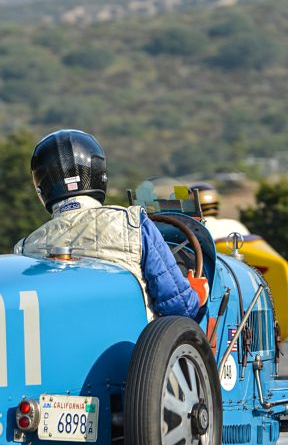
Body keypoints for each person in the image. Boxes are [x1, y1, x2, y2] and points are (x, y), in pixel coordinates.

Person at [15, 129, 209, 320]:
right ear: (99, 174)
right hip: (133, 348)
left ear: (42, 187)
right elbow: (178, 306)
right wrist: (197, 293)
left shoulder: (25, 248)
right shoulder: (132, 222)